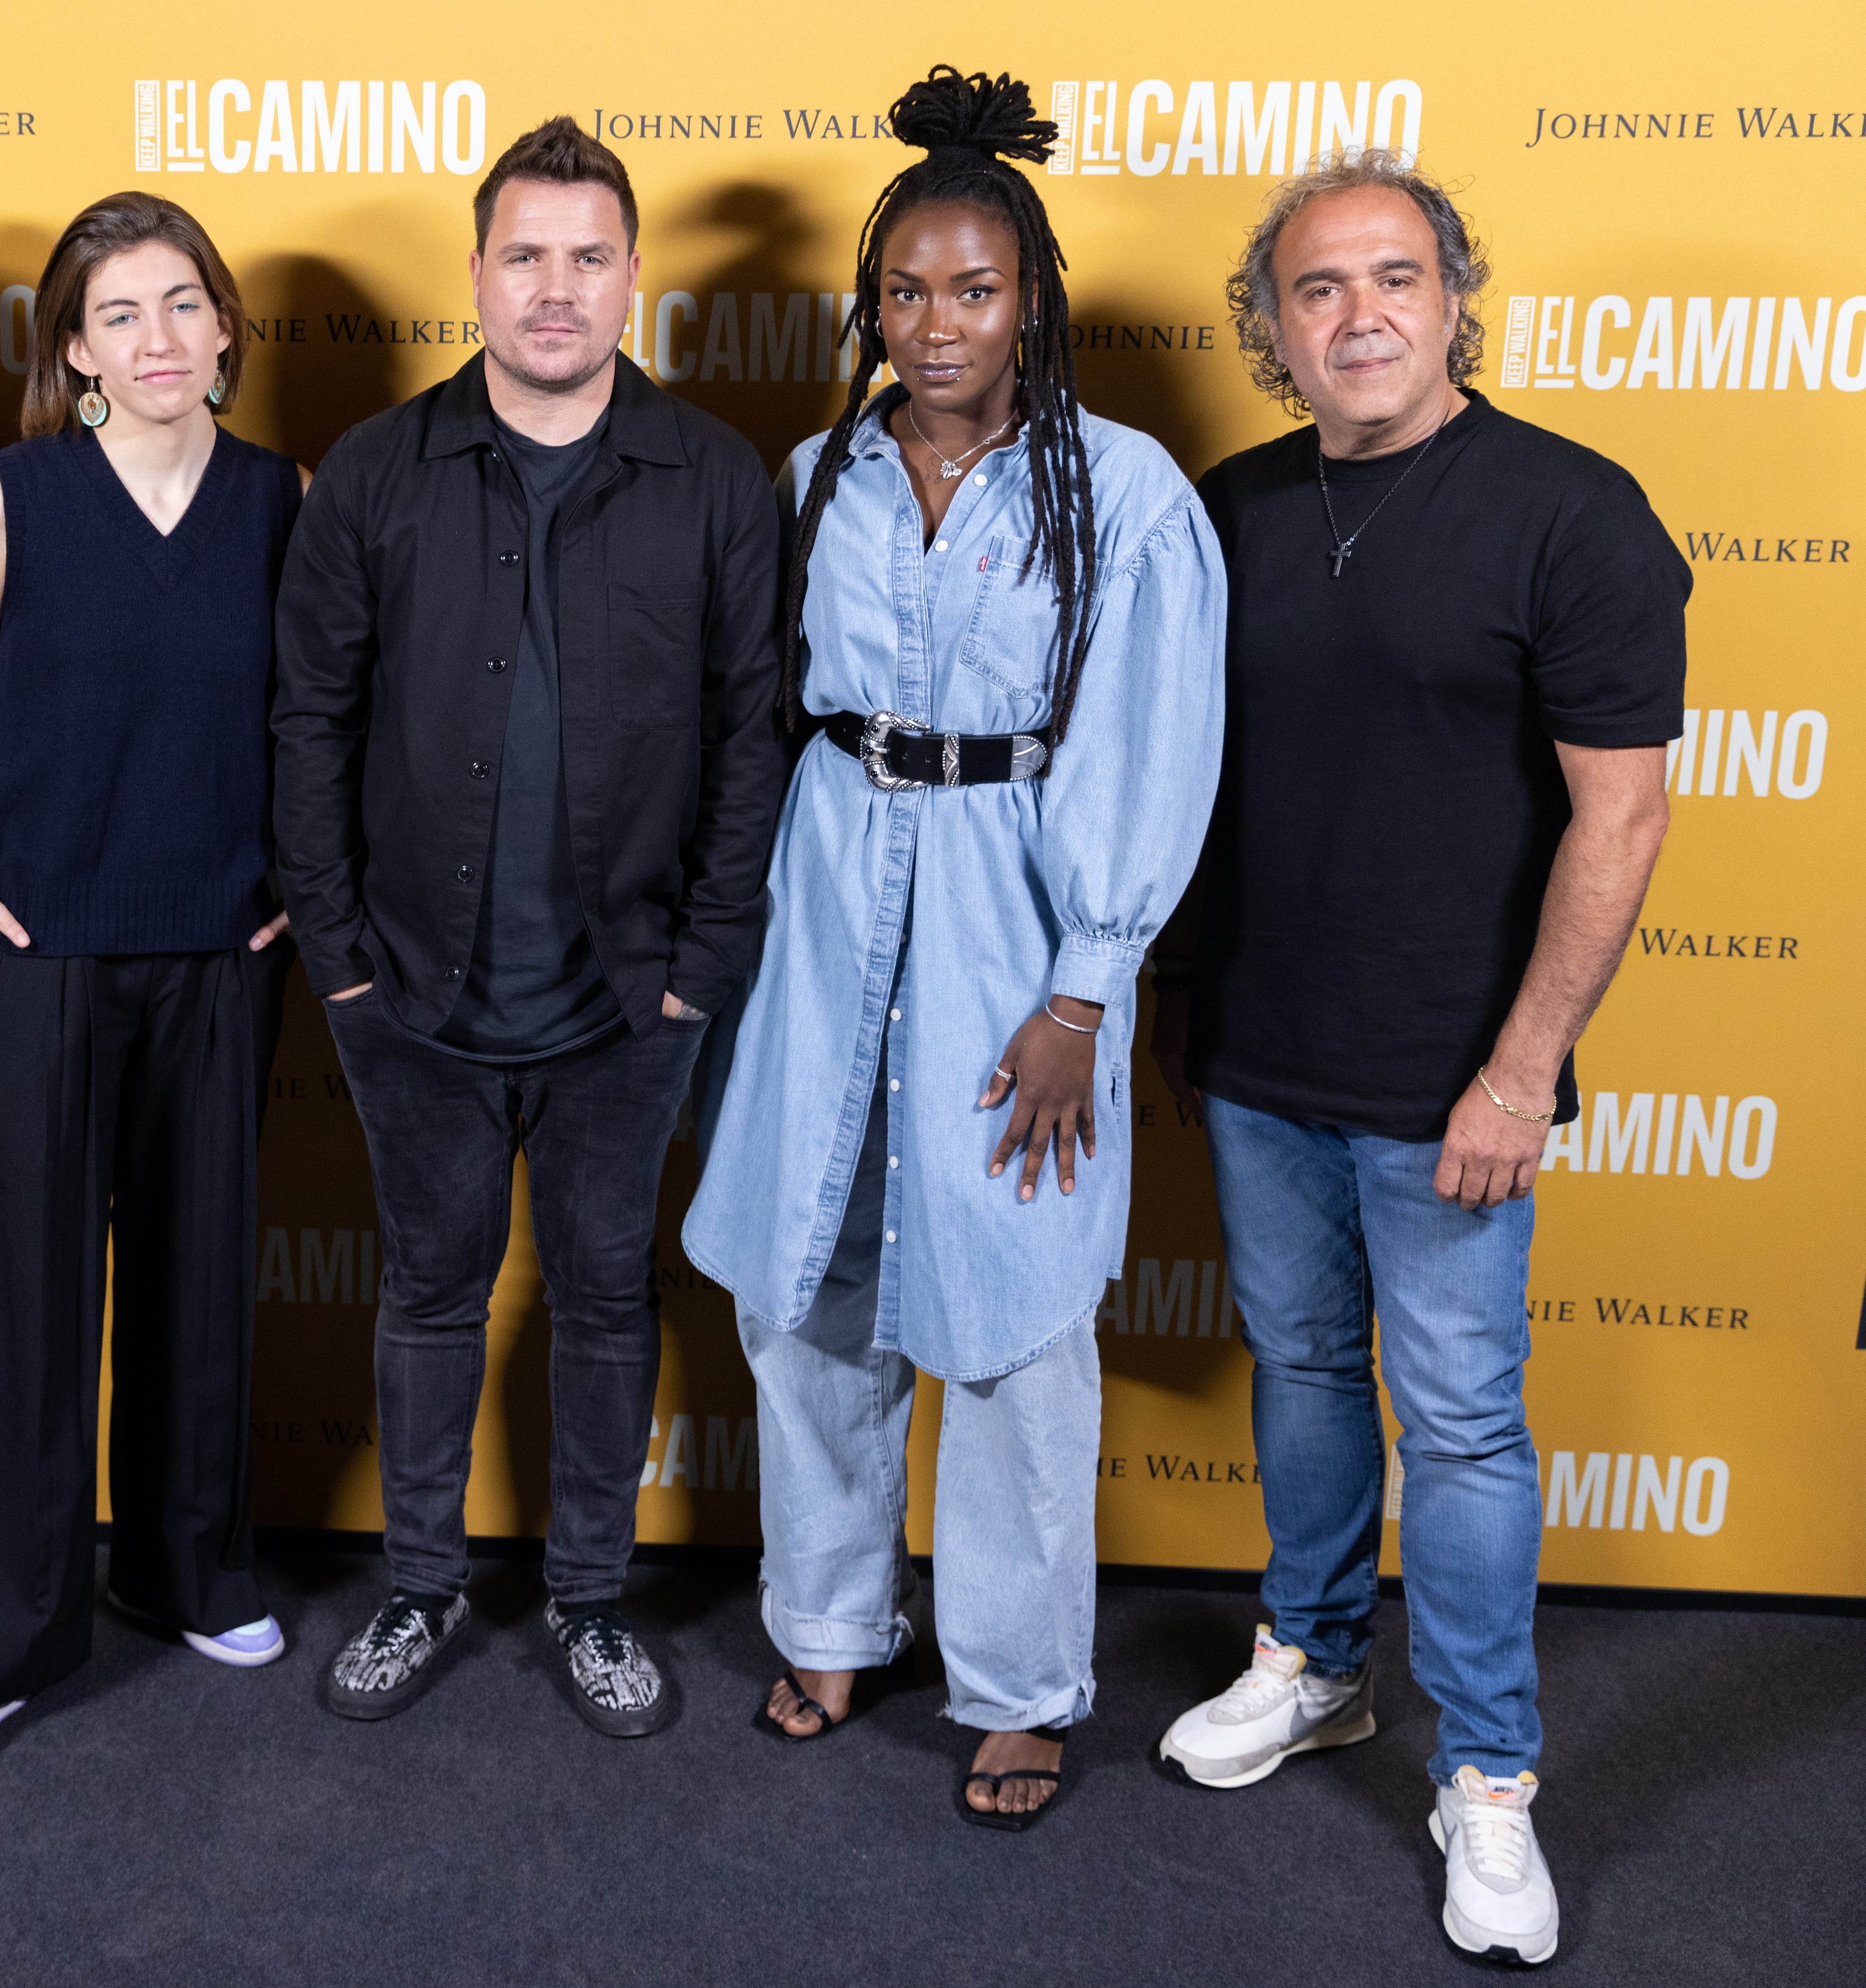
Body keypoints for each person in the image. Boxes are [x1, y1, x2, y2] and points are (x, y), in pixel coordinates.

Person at [1150, 151, 1680, 1964]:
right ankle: (1314, 1664)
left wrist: (1525, 1069)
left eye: (1394, 279)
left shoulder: (1573, 513)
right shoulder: (1222, 510)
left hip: (1460, 1078)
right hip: (1260, 1056)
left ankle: (1494, 1782)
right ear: (1274, 328)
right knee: (1300, 1369)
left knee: (1456, 1423)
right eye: (1318, 290)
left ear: (1456, 296)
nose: (1358, 314)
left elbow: (1622, 821)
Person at [681, 68, 1226, 1829]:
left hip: (1017, 929)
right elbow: (772, 717)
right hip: (830, 909)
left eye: (975, 290)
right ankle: (834, 1620)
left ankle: (1013, 1685)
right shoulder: (816, 468)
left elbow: (1150, 752)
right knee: (813, 1289)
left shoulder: (1124, 497)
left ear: (1036, 301)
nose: (936, 326)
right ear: (872, 307)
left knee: (1007, 1329)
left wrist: (1088, 988)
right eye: (905, 293)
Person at [273, 117, 786, 1738]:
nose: (555, 291)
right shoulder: (373, 471)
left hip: (631, 1008)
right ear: (476, 272)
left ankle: (586, 1601)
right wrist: (342, 956)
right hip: (409, 995)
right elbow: (307, 724)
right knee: (428, 1295)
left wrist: (705, 974)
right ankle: (420, 1584)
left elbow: (752, 735)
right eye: (524, 257)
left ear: (636, 275)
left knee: (608, 1300)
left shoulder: (712, 480)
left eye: (587, 258)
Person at [0, 194, 308, 1787]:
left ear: (223, 330)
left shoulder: (287, 497)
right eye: (118, 314)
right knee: (27, 1305)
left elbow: (315, 723)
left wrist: (295, 890)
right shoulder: (10, 495)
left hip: (217, 952)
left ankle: (189, 1569)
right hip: (47, 950)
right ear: (74, 349)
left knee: (203, 1281)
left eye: (181, 305)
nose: (156, 338)